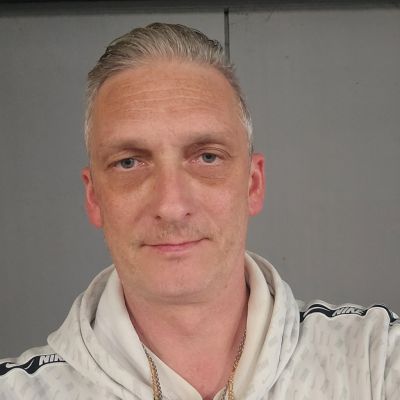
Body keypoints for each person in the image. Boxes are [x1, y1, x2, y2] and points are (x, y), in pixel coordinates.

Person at [0, 22, 399, 400]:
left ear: (253, 184)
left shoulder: (375, 360)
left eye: (207, 157)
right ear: (94, 198)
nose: (171, 206)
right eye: (129, 162)